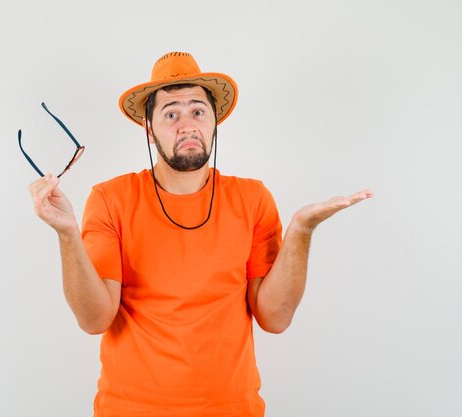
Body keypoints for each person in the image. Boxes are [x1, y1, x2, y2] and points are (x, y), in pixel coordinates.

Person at [27, 52, 372, 417]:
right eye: (171, 113)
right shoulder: (110, 199)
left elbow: (276, 318)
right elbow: (94, 319)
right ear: (149, 128)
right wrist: (67, 235)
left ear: (214, 122)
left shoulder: (252, 198)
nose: (187, 124)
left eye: (198, 111)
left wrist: (302, 228)